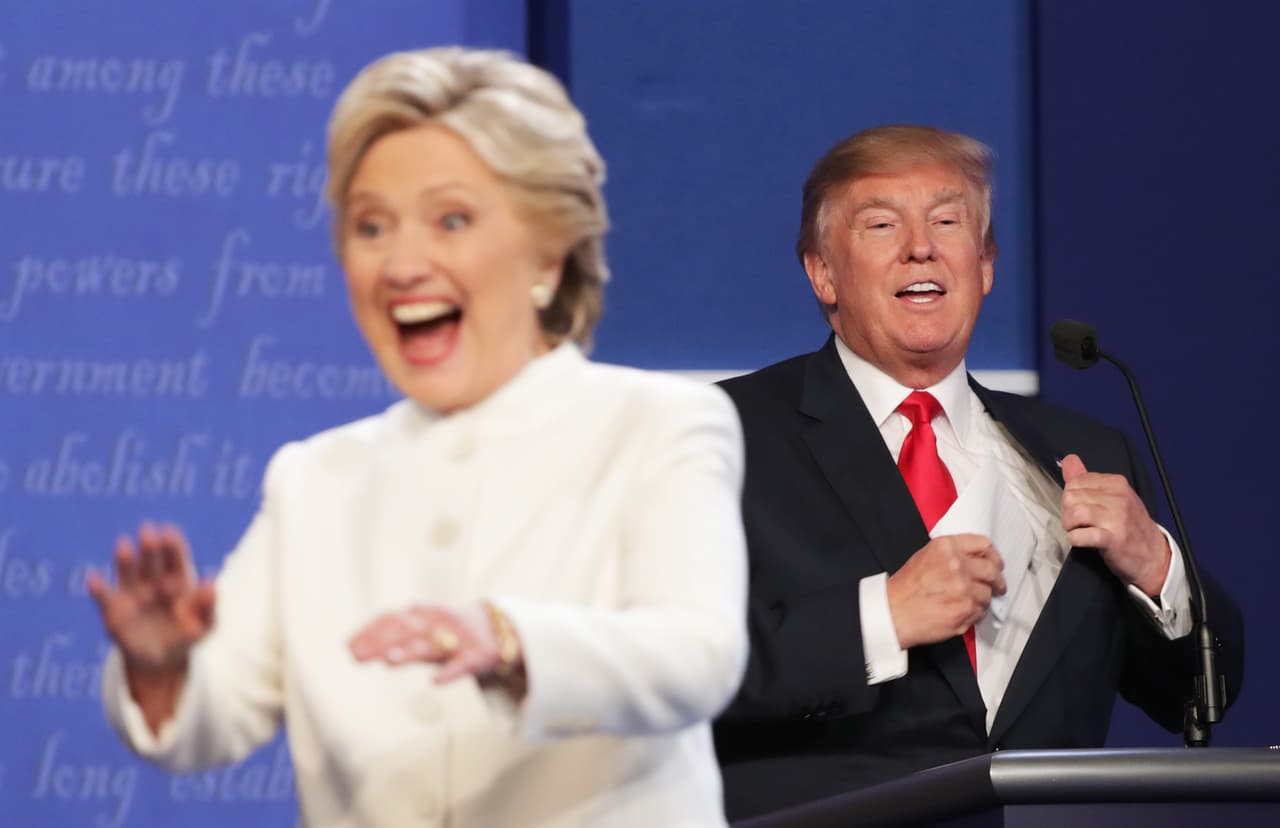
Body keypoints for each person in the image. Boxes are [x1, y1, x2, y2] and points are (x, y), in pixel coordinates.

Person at [88, 47, 749, 828]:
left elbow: (697, 658)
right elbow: (213, 716)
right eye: (371, 226)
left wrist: (508, 639)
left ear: (549, 249)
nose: (402, 264)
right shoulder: (314, 478)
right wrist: (161, 666)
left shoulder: (655, 424)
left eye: (452, 220)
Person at [711, 124, 1244, 820]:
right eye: (881, 224)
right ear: (823, 273)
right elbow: (665, 674)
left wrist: (1154, 563)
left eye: (947, 220)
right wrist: (881, 618)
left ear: (985, 264)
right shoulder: (723, 434)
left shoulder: (1083, 452)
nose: (920, 246)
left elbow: (1201, 696)